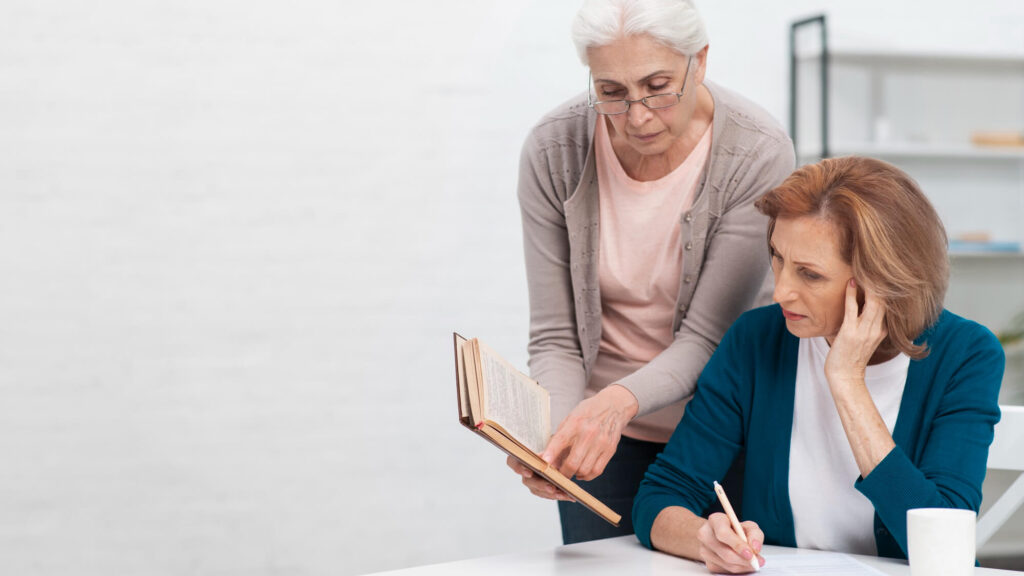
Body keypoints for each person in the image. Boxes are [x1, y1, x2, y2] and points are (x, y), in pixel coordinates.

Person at [632, 156, 1005, 573]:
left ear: (883, 279)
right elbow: (661, 497)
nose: (781, 292)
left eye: (809, 274)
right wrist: (706, 540)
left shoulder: (967, 355)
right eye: (777, 257)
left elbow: (943, 547)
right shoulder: (756, 339)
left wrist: (847, 382)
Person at [511, 0, 795, 544]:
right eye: (611, 92)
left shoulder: (756, 152)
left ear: (699, 61)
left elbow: (709, 337)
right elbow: (555, 336)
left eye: (658, 87)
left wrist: (613, 404)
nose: (637, 116)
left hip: (724, 430)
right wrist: (558, 439)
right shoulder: (553, 150)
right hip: (606, 436)